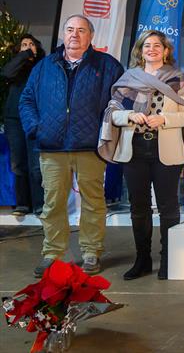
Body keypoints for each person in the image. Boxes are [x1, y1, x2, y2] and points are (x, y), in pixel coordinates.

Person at [19, 15, 123, 276]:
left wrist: (106, 132)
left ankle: (91, 252)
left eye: (81, 30)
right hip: (52, 148)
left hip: (90, 147)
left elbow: (122, 100)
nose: (75, 34)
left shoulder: (107, 65)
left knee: (93, 201)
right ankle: (52, 254)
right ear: (63, 34)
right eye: (70, 30)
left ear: (91, 36)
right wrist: (36, 128)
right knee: (53, 203)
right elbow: (27, 100)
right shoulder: (44, 66)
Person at [98, 30, 184, 280]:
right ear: (140, 51)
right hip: (134, 150)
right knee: (138, 208)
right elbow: (112, 111)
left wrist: (164, 119)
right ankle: (142, 260)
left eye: (157, 46)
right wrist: (129, 115)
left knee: (168, 207)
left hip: (166, 150)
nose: (151, 49)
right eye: (147, 46)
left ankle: (169, 260)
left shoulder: (178, 79)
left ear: (166, 51)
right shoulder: (128, 78)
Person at [2, 34, 46, 217]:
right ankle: (22, 204)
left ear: (38, 48)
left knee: (36, 163)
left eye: (32, 44)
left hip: (35, 118)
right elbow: (5, 73)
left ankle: (39, 204)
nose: (28, 47)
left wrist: (31, 55)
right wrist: (24, 55)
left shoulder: (42, 66)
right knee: (18, 162)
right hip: (14, 119)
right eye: (24, 45)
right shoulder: (15, 67)